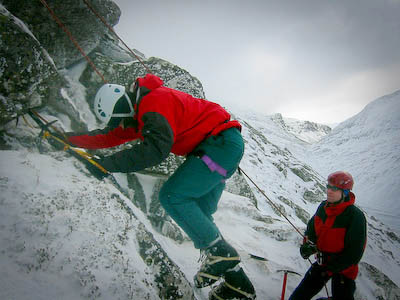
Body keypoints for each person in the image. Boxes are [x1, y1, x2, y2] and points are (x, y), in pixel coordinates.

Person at [65, 73, 256, 300]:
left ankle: (221, 254)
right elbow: (109, 137)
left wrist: (106, 165)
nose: (124, 122)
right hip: (223, 146)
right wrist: (68, 139)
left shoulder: (153, 104)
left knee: (172, 196)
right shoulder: (141, 113)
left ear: (126, 103)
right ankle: (237, 282)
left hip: (218, 145)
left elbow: (156, 150)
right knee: (199, 214)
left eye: (122, 115)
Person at [289, 171, 367, 300]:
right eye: (329, 187)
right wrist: (308, 246)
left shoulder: (354, 216)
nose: (329, 191)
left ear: (345, 193)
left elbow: (354, 253)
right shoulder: (323, 208)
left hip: (344, 270)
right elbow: (311, 230)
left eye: (335, 189)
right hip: (322, 263)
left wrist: (331, 266)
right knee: (298, 297)